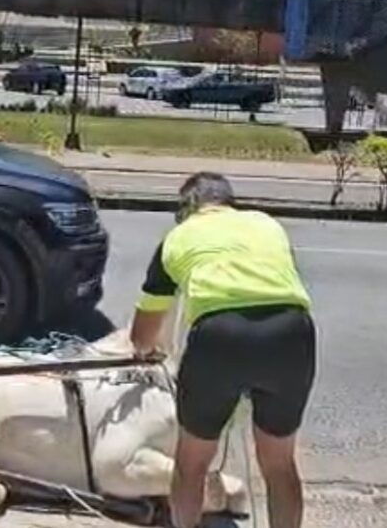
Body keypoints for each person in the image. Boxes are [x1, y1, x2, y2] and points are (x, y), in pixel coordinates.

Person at [128, 172, 316, 528]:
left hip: (219, 338)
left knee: (192, 462)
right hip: (291, 331)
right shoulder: (266, 224)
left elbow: (142, 337)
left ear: (187, 208)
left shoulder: (177, 238)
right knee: (279, 463)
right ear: (229, 202)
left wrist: (147, 352)